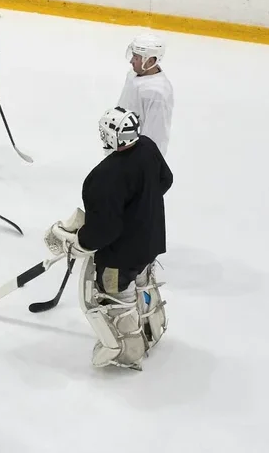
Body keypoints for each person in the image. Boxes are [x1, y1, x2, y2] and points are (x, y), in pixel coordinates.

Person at [44, 107, 172, 370]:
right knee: (142, 282)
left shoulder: (104, 176)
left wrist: (81, 241)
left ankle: (127, 351)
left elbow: (105, 229)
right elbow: (165, 180)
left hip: (120, 256)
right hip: (150, 241)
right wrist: (139, 210)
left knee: (116, 296)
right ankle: (153, 329)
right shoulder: (147, 147)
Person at [117, 33, 174, 157]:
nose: (131, 61)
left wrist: (144, 167)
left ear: (150, 61)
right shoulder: (133, 74)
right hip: (122, 148)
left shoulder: (157, 93)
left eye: (136, 58)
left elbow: (155, 138)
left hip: (134, 158)